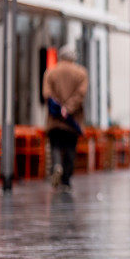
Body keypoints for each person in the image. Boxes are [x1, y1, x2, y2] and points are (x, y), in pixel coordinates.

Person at [42, 44, 88, 191]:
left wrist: (58, 107)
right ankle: (66, 180)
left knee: (55, 145)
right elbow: (81, 94)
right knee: (69, 148)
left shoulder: (50, 72)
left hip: (55, 119)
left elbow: (46, 94)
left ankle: (56, 165)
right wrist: (67, 108)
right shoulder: (81, 73)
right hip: (72, 119)